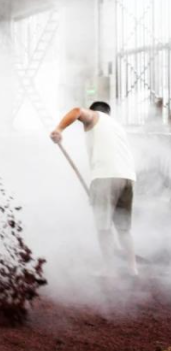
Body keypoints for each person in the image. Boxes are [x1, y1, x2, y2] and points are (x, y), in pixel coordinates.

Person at [50, 101, 138, 276]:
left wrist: (58, 129)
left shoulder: (96, 117)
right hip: (127, 178)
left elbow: (76, 110)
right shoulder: (116, 126)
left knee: (103, 228)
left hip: (105, 177)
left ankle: (109, 269)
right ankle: (132, 267)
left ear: (93, 112)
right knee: (123, 229)